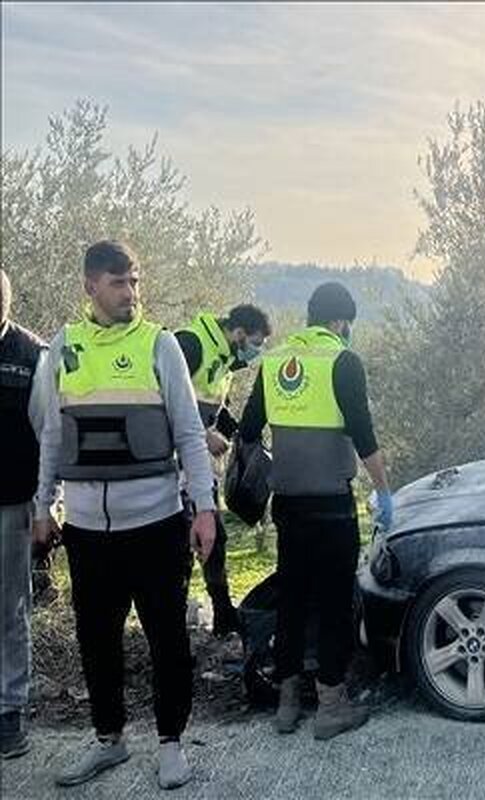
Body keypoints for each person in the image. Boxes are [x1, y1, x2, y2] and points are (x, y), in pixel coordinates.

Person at [31, 240, 217, 789]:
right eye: (119, 283)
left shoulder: (160, 345)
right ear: (90, 286)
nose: (130, 293)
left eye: (135, 281)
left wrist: (204, 508)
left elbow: (189, 435)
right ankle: (108, 739)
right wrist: (44, 508)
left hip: (156, 525)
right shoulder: (64, 347)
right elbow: (51, 436)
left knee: (167, 640)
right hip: (88, 532)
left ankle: (171, 743)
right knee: (97, 639)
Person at [238, 281, 392, 741]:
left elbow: (248, 428)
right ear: (341, 321)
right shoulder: (343, 361)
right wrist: (385, 491)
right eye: (349, 325)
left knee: (291, 597)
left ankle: (286, 704)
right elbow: (363, 435)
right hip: (331, 506)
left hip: (287, 505)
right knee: (333, 604)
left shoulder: (273, 361)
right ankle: (330, 705)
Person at [175, 305, 271, 636]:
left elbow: (218, 409)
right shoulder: (190, 344)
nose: (255, 350)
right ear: (239, 332)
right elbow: (160, 401)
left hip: (198, 466)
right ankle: (175, 618)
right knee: (182, 541)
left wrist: (245, 434)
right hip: (170, 467)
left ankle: (223, 613)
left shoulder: (226, 362)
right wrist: (205, 435)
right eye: (255, 342)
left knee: (215, 536)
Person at [0, 269, 49, 760]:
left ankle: (9, 709)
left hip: (9, 503)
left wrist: (45, 507)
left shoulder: (31, 356)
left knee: (9, 609)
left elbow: (47, 436)